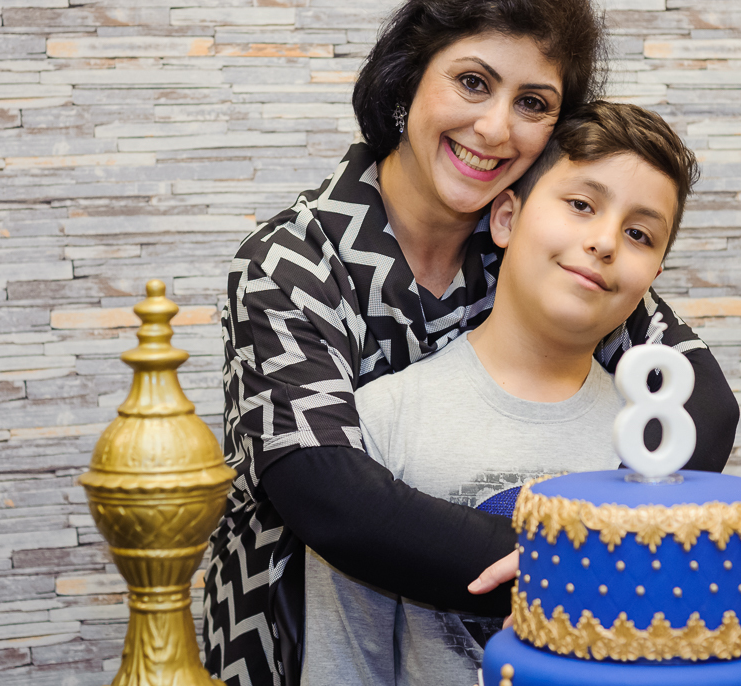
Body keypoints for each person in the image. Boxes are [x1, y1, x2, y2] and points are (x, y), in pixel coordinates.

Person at [203, 0, 740, 686]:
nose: (494, 129)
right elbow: (329, 493)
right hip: (306, 638)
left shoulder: (540, 246)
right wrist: (586, 567)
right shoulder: (292, 260)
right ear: (409, 75)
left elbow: (700, 400)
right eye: (472, 82)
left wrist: (601, 560)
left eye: (532, 104)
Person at [300, 101, 700, 686]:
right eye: (582, 205)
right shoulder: (384, 419)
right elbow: (347, 666)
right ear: (506, 218)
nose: (606, 241)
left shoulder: (660, 443)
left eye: (640, 233)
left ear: (653, 277)